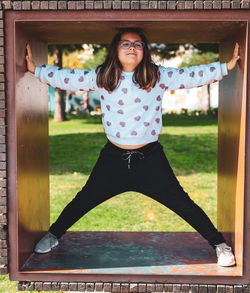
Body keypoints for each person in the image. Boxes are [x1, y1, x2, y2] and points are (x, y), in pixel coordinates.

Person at [25, 27, 240, 267]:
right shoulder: (102, 77)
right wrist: (37, 70)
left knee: (182, 203)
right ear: (115, 50)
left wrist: (225, 67)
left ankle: (219, 244)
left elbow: (189, 75)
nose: (131, 48)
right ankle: (54, 235)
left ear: (145, 51)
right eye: (125, 43)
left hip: (150, 159)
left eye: (138, 44)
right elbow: (69, 77)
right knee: (83, 199)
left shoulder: (157, 76)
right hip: (113, 159)